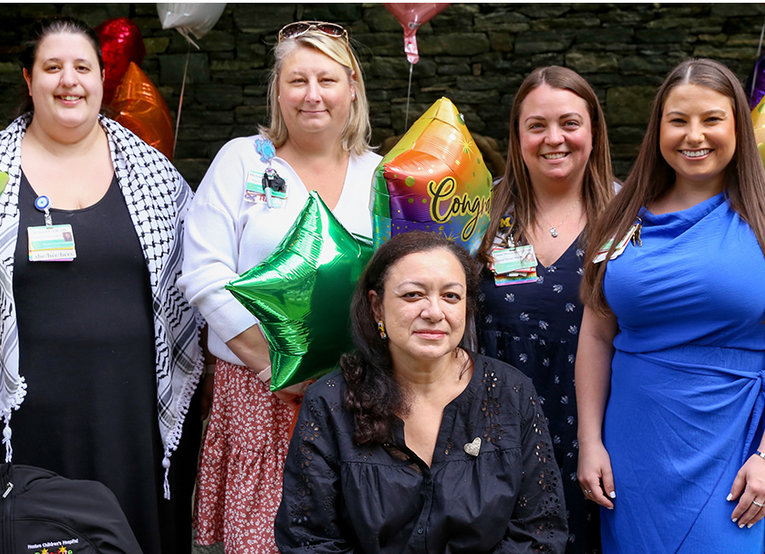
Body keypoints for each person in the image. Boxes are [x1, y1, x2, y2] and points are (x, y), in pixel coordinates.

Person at [0, 16, 203, 554]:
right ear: (28, 79)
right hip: (18, 415)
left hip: (129, 413)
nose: (69, 80)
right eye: (53, 67)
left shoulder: (156, 175)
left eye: (82, 67)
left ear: (100, 80)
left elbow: (198, 283)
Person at [576, 58, 765, 552]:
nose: (694, 135)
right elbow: (596, 334)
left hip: (732, 444)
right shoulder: (620, 218)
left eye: (712, 119)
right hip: (633, 445)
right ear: (658, 129)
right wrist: (590, 441)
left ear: (737, 126)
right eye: (678, 120)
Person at [177, 20, 381, 552]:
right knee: (263, 541)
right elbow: (203, 274)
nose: (312, 95)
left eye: (327, 80)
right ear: (277, 90)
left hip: (357, 393)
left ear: (352, 87)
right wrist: (278, 365)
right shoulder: (241, 160)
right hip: (257, 388)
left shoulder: (381, 176)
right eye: (297, 80)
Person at [276, 230, 569, 552]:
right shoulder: (330, 402)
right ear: (377, 307)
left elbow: (540, 531)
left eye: (451, 296)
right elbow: (308, 539)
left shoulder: (511, 393)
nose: (434, 312)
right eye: (413, 295)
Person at [475, 65, 616, 553]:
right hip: (493, 431)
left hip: (599, 430)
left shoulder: (631, 218)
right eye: (537, 125)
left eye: (570, 123)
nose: (554, 138)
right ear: (517, 136)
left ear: (593, 131)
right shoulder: (480, 215)